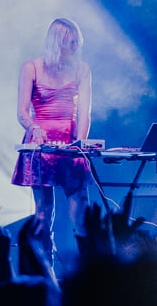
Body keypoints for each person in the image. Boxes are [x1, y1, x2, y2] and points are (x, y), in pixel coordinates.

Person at [12, 18, 95, 267]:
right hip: (41, 144)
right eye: (72, 43)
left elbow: (85, 113)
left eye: (78, 43)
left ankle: (89, 271)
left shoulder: (82, 69)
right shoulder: (31, 68)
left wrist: (80, 142)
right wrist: (33, 127)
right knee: (43, 212)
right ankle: (44, 270)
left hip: (70, 143)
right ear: (59, 42)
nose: (76, 47)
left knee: (80, 209)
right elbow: (21, 112)